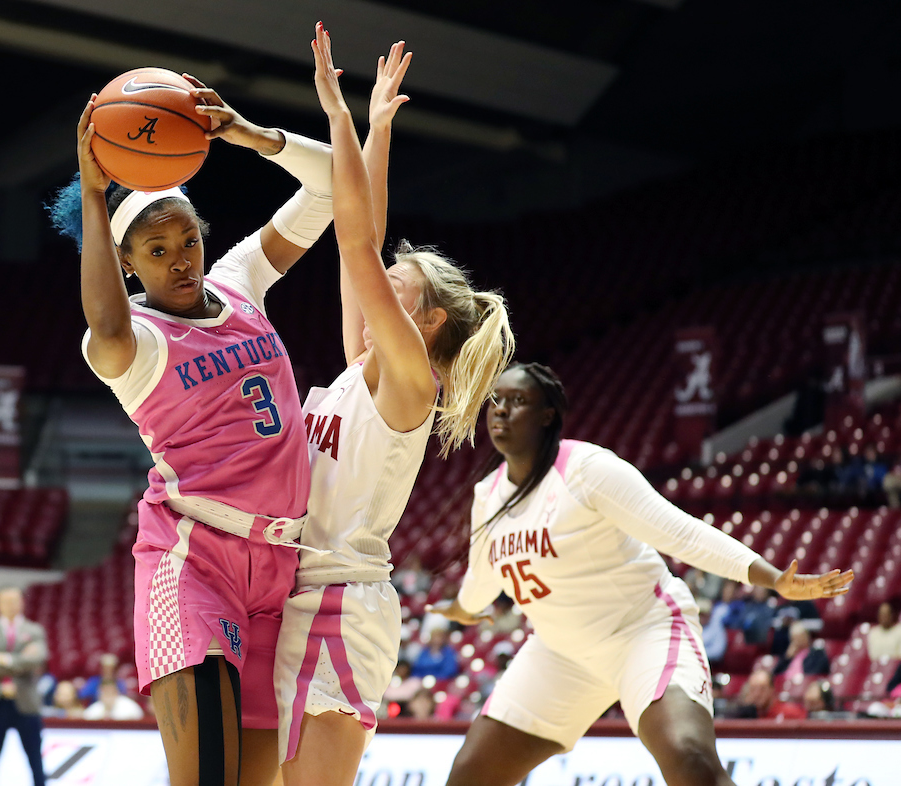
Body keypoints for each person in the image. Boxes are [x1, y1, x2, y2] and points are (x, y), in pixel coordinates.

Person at [51, 56, 337, 786]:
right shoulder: (130, 343)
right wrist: (93, 194)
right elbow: (105, 323)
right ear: (126, 262)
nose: (180, 261)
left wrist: (251, 136)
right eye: (156, 251)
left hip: (282, 569)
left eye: (188, 242)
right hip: (194, 559)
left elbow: (337, 183)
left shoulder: (238, 280)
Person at [275, 28, 515, 786]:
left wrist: (338, 121)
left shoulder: (409, 377)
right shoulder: (363, 367)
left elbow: (354, 242)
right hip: (294, 595)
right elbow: (365, 242)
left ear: (427, 320)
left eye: (398, 282)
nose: (382, 276)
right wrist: (377, 128)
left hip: (343, 605)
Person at [431, 364, 854, 786]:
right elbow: (483, 575)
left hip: (643, 632)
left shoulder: (587, 469)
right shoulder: (487, 496)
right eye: (496, 401)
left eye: (517, 401)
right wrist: (463, 609)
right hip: (560, 652)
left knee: (690, 759)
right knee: (470, 775)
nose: (501, 411)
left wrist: (773, 577)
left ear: (547, 416)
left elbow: (680, 531)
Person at [0, 588, 46, 786]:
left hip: (26, 701)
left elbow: (36, 660)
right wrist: (20, 660)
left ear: (22, 602)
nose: (10, 605)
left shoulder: (34, 630)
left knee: (35, 759)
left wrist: (4, 659)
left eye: (14, 600)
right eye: (5, 601)